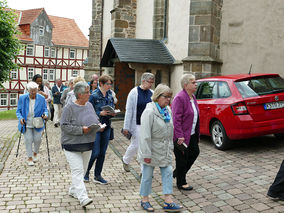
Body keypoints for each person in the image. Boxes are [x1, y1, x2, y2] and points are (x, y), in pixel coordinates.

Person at [138, 84, 183, 212]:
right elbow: (145, 135)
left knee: (168, 172)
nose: (168, 99)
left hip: (165, 148)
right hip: (151, 148)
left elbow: (170, 131)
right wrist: (146, 154)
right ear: (158, 97)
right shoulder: (149, 112)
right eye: (166, 97)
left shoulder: (167, 110)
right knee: (147, 175)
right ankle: (145, 199)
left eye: (170, 97)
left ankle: (168, 200)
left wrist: (171, 147)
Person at [61, 81, 100, 207]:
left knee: (82, 171)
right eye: (87, 92)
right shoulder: (69, 108)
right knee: (77, 171)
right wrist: (81, 130)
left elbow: (95, 119)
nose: (89, 94)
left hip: (88, 143)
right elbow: (64, 126)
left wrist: (99, 126)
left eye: (89, 91)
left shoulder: (89, 105)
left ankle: (73, 190)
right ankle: (83, 197)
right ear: (79, 94)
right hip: (71, 145)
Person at [84, 75, 115, 184]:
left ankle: (98, 175)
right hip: (96, 127)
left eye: (110, 84)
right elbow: (87, 112)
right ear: (101, 84)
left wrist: (113, 113)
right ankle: (86, 172)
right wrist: (99, 113)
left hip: (106, 126)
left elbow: (112, 107)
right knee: (95, 152)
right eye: (108, 84)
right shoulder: (93, 96)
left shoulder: (110, 95)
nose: (109, 86)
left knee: (102, 152)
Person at [122, 72, 155, 172]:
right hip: (136, 123)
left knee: (145, 147)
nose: (151, 84)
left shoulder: (152, 93)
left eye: (152, 83)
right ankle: (126, 160)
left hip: (148, 124)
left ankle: (143, 171)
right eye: (150, 82)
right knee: (136, 145)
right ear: (144, 81)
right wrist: (126, 127)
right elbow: (129, 110)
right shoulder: (134, 92)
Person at [171, 74, 200, 191]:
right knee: (182, 158)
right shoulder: (179, 98)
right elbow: (176, 119)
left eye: (195, 82)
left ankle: (178, 172)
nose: (195, 84)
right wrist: (179, 135)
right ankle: (181, 182)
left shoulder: (192, 96)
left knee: (195, 152)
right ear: (185, 85)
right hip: (181, 136)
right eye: (193, 82)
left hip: (191, 133)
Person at [16, 81, 48, 166]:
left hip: (38, 123)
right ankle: (29, 158)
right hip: (26, 123)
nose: (33, 93)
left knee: (38, 139)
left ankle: (35, 153)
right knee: (28, 140)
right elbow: (18, 111)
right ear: (28, 90)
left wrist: (45, 115)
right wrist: (20, 118)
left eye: (35, 90)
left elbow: (45, 109)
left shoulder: (41, 98)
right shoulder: (22, 98)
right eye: (31, 91)